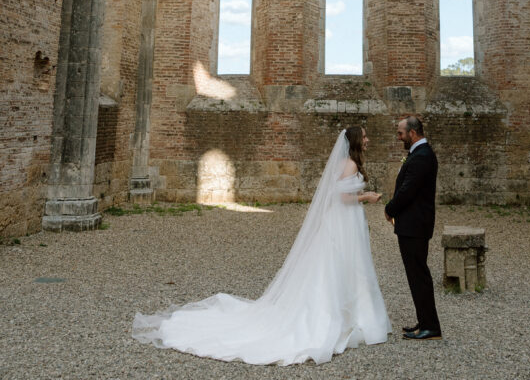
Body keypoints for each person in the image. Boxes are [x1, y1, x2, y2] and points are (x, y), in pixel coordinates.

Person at [132, 126, 390, 365]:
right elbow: (341, 196)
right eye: (364, 137)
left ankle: (352, 313)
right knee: (338, 265)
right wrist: (365, 196)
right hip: (343, 220)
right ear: (356, 141)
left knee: (348, 265)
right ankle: (337, 316)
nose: (368, 140)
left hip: (347, 221)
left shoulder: (351, 163)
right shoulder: (349, 164)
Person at [384, 116, 441, 340]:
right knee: (416, 275)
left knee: (419, 276)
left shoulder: (422, 156)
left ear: (413, 133)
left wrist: (390, 208)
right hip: (413, 225)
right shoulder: (419, 154)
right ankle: (424, 321)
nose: (399, 137)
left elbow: (408, 190)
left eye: (401, 133)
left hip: (415, 226)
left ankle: (431, 328)